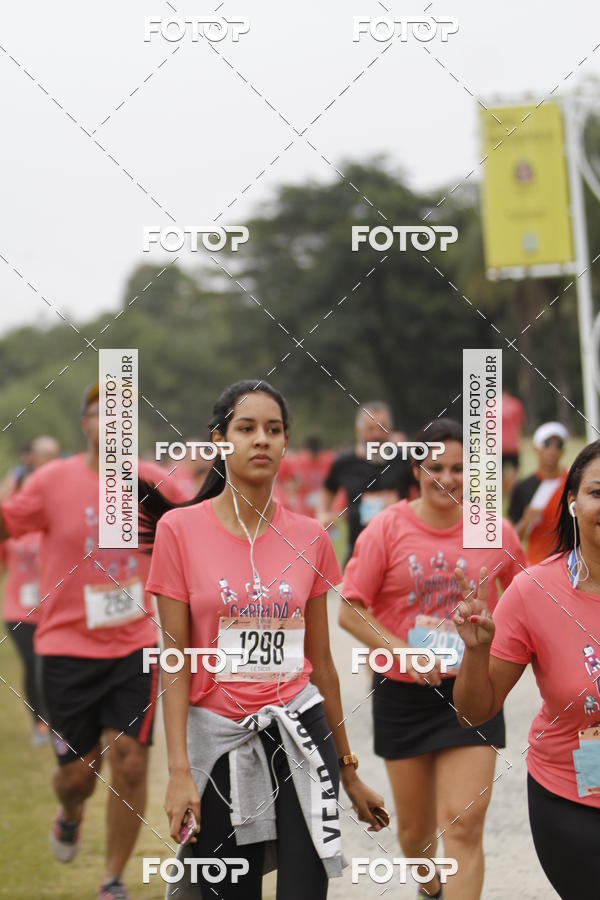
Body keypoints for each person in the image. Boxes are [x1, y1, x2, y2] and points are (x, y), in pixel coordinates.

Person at [140, 380, 386, 900]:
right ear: (220, 440)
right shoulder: (179, 532)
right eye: (246, 428)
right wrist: (180, 772)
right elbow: (175, 660)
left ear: (285, 443)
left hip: (300, 732)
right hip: (221, 743)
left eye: (273, 430)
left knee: (305, 890)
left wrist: (349, 770)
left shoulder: (311, 537)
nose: (261, 441)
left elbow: (320, 663)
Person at [0, 384, 185, 900]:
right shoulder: (49, 482)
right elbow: (7, 525)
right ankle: (70, 810)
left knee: (130, 760)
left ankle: (111, 880)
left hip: (135, 645)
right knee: (79, 774)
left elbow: (199, 523)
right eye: (101, 417)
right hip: (64, 649)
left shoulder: (152, 481)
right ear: (84, 424)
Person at [339, 418, 526, 900]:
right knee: (416, 837)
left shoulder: (496, 532)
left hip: (473, 693)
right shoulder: (387, 528)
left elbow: (530, 598)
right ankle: (431, 889)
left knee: (462, 825)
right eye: (436, 465)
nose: (449, 476)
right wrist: (400, 650)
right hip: (402, 693)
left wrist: (493, 643)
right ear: (417, 470)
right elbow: (349, 609)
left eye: (460, 467)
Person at [453, 440, 600, 900]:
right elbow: (474, 713)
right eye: (599, 492)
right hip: (573, 796)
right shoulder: (535, 590)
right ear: (572, 501)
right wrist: (476, 653)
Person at [1, 437, 61, 746]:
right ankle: (39, 722)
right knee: (33, 661)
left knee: (50, 665)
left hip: (51, 608)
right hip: (17, 610)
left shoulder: (50, 523)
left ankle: (57, 722)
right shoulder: (10, 528)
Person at [317, 402, 411, 563]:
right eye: (370, 429)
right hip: (357, 552)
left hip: (398, 552)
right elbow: (327, 490)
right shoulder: (344, 463)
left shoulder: (405, 460)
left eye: (382, 428)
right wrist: (322, 514)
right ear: (357, 431)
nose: (376, 435)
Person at [508, 421, 569, 564]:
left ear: (563, 451)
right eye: (547, 444)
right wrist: (525, 520)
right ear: (536, 448)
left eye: (558, 445)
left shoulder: (573, 481)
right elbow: (511, 540)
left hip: (569, 563)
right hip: (537, 564)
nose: (552, 451)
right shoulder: (522, 488)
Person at [275, 434, 334, 517]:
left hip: (323, 510)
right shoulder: (298, 462)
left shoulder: (329, 461)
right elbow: (286, 483)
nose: (314, 456)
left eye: (316, 453)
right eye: (312, 453)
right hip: (304, 509)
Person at [501, 389, 525, 497]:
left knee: (499, 472)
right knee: (515, 471)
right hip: (513, 444)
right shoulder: (516, 404)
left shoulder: (491, 406)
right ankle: (511, 491)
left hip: (498, 445)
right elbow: (520, 424)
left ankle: (505, 492)